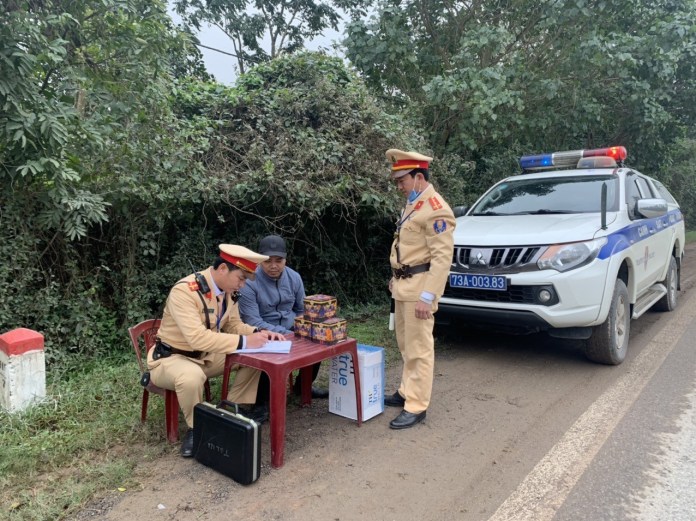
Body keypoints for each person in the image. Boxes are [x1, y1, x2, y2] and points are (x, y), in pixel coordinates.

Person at [147, 244, 285, 457]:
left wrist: (260, 332)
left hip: (206, 357)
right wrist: (246, 341)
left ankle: (230, 413)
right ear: (222, 269)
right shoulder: (184, 291)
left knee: (255, 357)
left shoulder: (229, 292)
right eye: (240, 278)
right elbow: (197, 338)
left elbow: (234, 326)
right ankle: (197, 429)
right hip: (172, 358)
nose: (243, 285)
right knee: (191, 377)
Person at [384, 149, 455, 429]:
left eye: (402, 180)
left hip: (420, 291)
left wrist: (429, 296)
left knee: (420, 349)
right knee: (405, 344)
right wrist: (396, 274)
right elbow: (408, 246)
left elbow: (441, 258)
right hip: (404, 285)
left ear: (418, 177)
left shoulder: (436, 209)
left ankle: (416, 405)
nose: (399, 186)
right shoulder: (413, 204)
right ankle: (406, 391)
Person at [239, 235, 329, 410]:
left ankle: (302, 387)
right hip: (263, 332)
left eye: (279, 260)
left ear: (285, 259)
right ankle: (261, 404)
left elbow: (303, 309)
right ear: (259, 260)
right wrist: (283, 333)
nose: (274, 266)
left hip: (291, 328)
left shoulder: (294, 277)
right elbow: (251, 319)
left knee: (317, 343)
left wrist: (303, 328)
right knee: (269, 351)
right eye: (268, 261)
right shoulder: (249, 281)